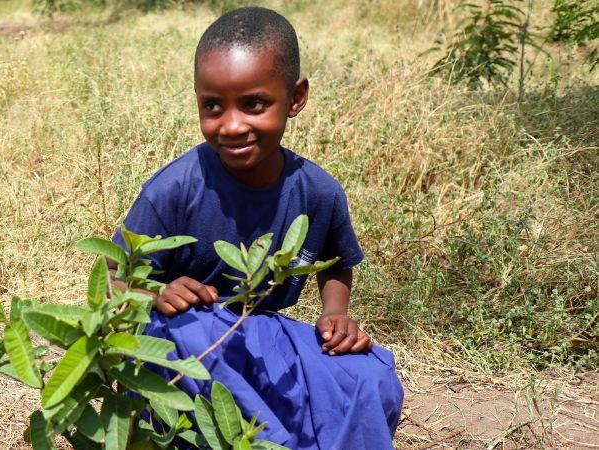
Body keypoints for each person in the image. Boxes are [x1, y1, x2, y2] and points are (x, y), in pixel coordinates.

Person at [111, 7, 404, 449]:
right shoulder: (175, 188)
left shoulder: (317, 192)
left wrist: (335, 314)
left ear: (296, 97)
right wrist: (156, 294)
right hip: (188, 337)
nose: (231, 125)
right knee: (187, 334)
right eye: (212, 106)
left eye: (253, 104)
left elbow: (338, 262)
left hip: (261, 331)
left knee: (370, 374)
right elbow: (116, 277)